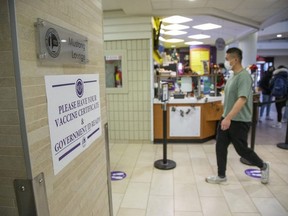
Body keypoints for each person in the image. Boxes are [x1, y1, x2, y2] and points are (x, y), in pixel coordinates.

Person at [206, 47, 270, 184]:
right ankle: (221, 176)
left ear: (235, 60)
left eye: (227, 59)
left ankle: (263, 166)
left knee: (242, 150)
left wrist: (228, 118)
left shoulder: (244, 77)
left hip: (239, 121)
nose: (226, 62)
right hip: (227, 118)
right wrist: (225, 116)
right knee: (220, 147)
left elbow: (242, 99)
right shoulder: (232, 76)